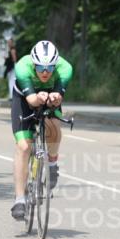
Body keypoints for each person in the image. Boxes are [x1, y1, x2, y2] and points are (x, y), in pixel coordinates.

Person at [9, 40, 73, 221]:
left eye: (50, 68)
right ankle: (20, 199)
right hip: (25, 99)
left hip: (49, 97)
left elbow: (58, 97)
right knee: (23, 146)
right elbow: (31, 101)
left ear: (55, 65)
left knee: (54, 125)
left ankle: (52, 164)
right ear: (33, 63)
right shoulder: (22, 67)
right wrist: (38, 97)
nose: (45, 72)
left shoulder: (65, 68)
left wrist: (56, 98)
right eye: (40, 68)